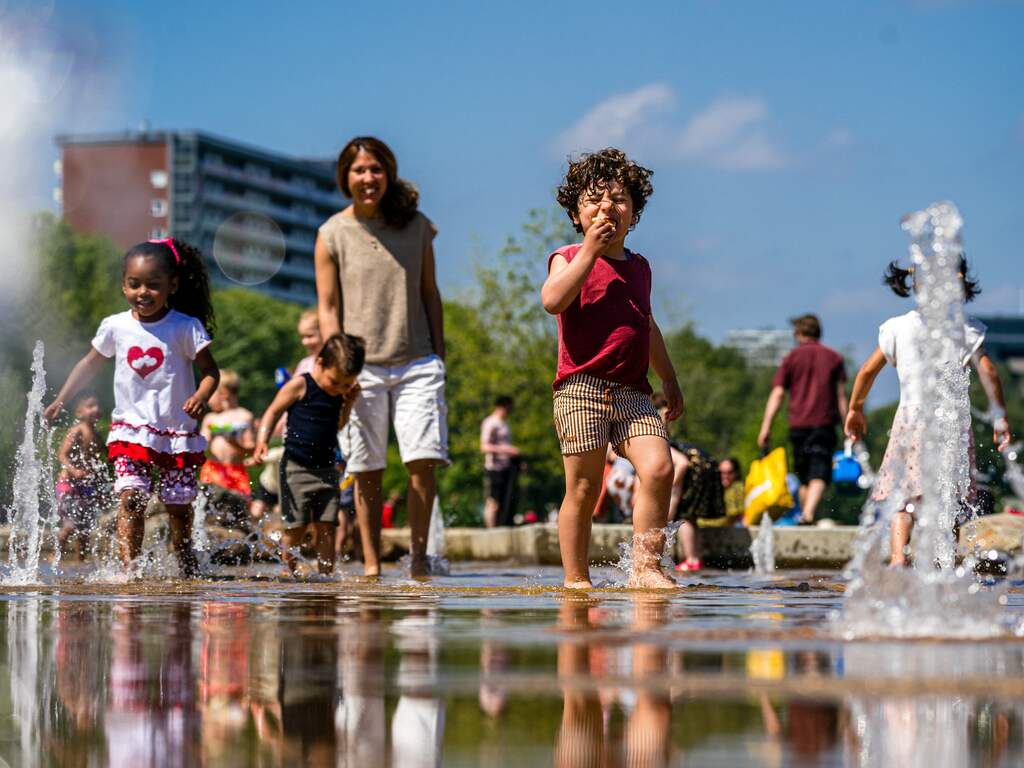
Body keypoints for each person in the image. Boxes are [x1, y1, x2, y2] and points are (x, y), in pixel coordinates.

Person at [542, 148, 684, 590]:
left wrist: (669, 377)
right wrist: (588, 252)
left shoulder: (640, 268)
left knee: (660, 468)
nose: (607, 207)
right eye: (593, 200)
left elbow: (648, 325)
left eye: (619, 199)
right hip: (580, 390)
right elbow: (552, 300)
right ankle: (576, 578)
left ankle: (645, 567)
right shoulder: (567, 256)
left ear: (635, 213)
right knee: (584, 490)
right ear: (575, 213)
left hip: (633, 393)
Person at [44, 238, 219, 577]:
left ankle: (185, 565)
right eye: (134, 284)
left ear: (173, 285)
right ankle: (130, 572)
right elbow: (90, 364)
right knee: (131, 499)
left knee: (178, 508)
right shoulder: (116, 326)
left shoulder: (185, 327)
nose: (143, 292)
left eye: (153, 285)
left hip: (176, 432)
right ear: (123, 285)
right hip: (130, 430)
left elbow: (211, 371)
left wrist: (202, 395)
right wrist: (61, 398)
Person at [315, 136, 447, 578]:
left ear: (387, 173)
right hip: (360, 368)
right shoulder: (332, 233)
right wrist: (339, 370)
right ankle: (371, 564)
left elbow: (430, 295)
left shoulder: (417, 226)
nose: (368, 178)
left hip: (417, 361)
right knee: (367, 467)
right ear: (345, 178)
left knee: (422, 460)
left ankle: (420, 559)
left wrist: (439, 356)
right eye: (358, 170)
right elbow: (328, 308)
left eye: (375, 169)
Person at [845, 258, 1012, 566]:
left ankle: (898, 557)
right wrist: (999, 416)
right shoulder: (966, 328)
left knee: (903, 497)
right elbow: (988, 371)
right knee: (949, 497)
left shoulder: (897, 327)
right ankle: (943, 560)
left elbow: (867, 371)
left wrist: (855, 408)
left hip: (911, 419)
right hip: (952, 422)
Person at [253, 333, 364, 576]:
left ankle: (326, 576)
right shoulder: (300, 385)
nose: (340, 389)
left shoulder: (339, 394)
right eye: (336, 382)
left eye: (347, 385)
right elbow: (272, 412)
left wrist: (348, 403)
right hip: (296, 468)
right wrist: (262, 440)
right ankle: (287, 573)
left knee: (328, 526)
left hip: (327, 469)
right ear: (320, 363)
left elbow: (338, 425)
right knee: (295, 528)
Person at [757, 314, 847, 525]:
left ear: (798, 333)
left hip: (798, 425)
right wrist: (847, 423)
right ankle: (807, 514)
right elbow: (841, 395)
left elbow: (778, 394)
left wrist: (766, 426)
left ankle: (805, 515)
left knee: (805, 474)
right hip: (823, 423)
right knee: (819, 472)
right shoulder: (833, 358)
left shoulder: (791, 358)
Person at [55, 393, 108, 560]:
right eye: (91, 406)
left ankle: (80, 561)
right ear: (79, 413)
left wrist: (99, 489)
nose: (96, 409)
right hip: (69, 485)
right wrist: (74, 471)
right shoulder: (77, 430)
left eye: (98, 406)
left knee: (85, 529)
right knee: (70, 525)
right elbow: (62, 455)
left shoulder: (98, 436)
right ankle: (55, 557)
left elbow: (97, 464)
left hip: (86, 487)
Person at [199, 370, 255, 526]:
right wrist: (206, 438)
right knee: (208, 512)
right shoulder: (211, 418)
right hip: (213, 469)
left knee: (240, 513)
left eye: (211, 393)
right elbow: (202, 447)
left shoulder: (244, 416)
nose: (207, 399)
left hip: (236, 471)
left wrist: (233, 442)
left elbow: (251, 449)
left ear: (223, 393)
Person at [480, 395, 520, 527]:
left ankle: (501, 526)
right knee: (493, 501)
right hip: (494, 467)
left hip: (506, 467)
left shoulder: (505, 423)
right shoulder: (490, 423)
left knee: (505, 501)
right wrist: (507, 450)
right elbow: (484, 446)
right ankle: (491, 530)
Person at [293, 308, 323, 377]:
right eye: (302, 337)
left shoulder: (332, 365)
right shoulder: (304, 365)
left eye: (310, 336)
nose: (304, 342)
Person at [718, 457, 745, 526]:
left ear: (736, 473)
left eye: (729, 472)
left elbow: (735, 513)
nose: (725, 476)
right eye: (722, 472)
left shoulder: (738, 488)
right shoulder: (713, 490)